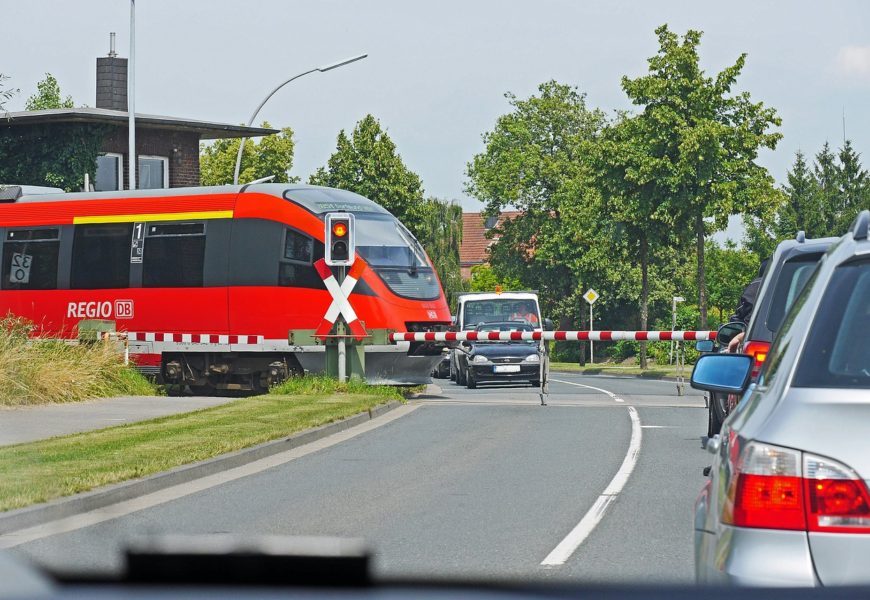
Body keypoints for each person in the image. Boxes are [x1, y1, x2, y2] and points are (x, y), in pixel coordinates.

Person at [726, 258, 769, 352]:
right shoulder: (790, 285)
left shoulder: (755, 285)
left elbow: (741, 311)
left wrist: (735, 332)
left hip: (751, 335)